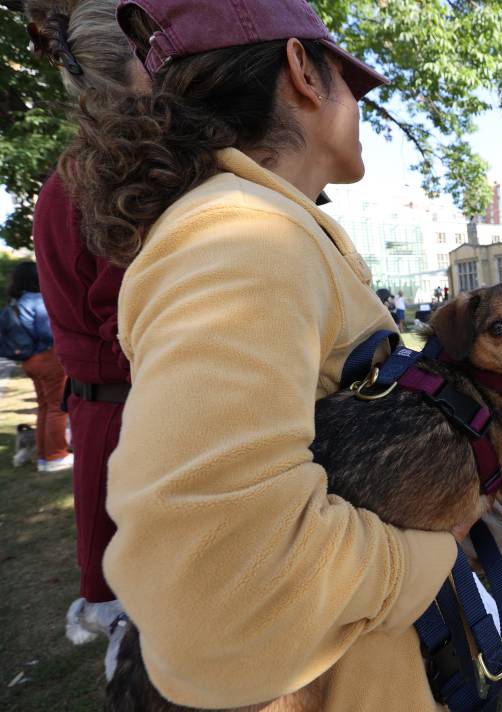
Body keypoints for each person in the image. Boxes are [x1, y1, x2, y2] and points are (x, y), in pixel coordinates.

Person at [64, 0, 462, 707]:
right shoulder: (243, 239)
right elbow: (216, 589)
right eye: (352, 80)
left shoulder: (261, 227)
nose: (364, 106)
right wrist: (430, 559)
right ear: (302, 70)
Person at [25, 0, 149, 671]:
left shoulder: (67, 180)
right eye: (157, 48)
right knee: (153, 624)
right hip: (131, 417)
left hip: (109, 411)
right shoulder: (114, 179)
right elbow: (137, 321)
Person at [1, 262, 70, 471]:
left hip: (28, 362)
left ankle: (43, 455)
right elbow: (49, 334)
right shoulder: (38, 301)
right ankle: (55, 456)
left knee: (44, 407)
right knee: (57, 408)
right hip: (48, 358)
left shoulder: (14, 303)